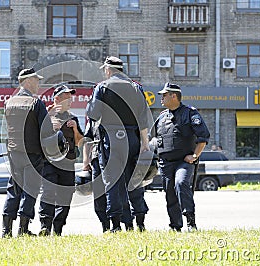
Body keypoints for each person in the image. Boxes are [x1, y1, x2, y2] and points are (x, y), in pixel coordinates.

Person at [86, 56, 150, 232]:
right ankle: (139, 222)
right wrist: (145, 143)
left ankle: (116, 225)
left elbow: (92, 114)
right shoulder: (136, 87)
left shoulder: (102, 87)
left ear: (108, 70)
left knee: (112, 182)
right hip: (133, 139)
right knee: (134, 181)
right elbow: (143, 118)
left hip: (111, 139)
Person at [1, 68, 58, 237]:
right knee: (30, 190)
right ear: (27, 81)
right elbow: (46, 130)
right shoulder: (35, 103)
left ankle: (6, 230)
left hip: (13, 153)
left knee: (14, 189)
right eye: (36, 80)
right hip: (32, 154)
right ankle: (23, 229)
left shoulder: (9, 102)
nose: (38, 84)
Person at [154, 82, 210, 232]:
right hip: (166, 163)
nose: (161, 98)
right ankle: (175, 227)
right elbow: (154, 139)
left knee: (181, 183)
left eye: (164, 95)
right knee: (170, 195)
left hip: (183, 162)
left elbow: (203, 137)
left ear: (174, 96)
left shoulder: (190, 113)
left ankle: (191, 223)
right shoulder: (161, 117)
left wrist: (194, 155)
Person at [38, 85, 84, 236]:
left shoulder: (73, 118)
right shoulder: (45, 116)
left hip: (68, 163)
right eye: (66, 97)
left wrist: (76, 129)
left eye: (71, 97)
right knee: (48, 194)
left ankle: (58, 229)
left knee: (66, 197)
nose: (70, 100)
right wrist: (49, 125)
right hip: (49, 162)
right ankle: (45, 226)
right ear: (57, 99)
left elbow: (79, 142)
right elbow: (36, 138)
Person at [82, 119, 134, 232]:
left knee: (118, 191)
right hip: (96, 158)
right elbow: (87, 139)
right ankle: (105, 226)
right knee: (99, 195)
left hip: (113, 157)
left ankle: (126, 223)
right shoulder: (93, 119)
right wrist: (85, 161)